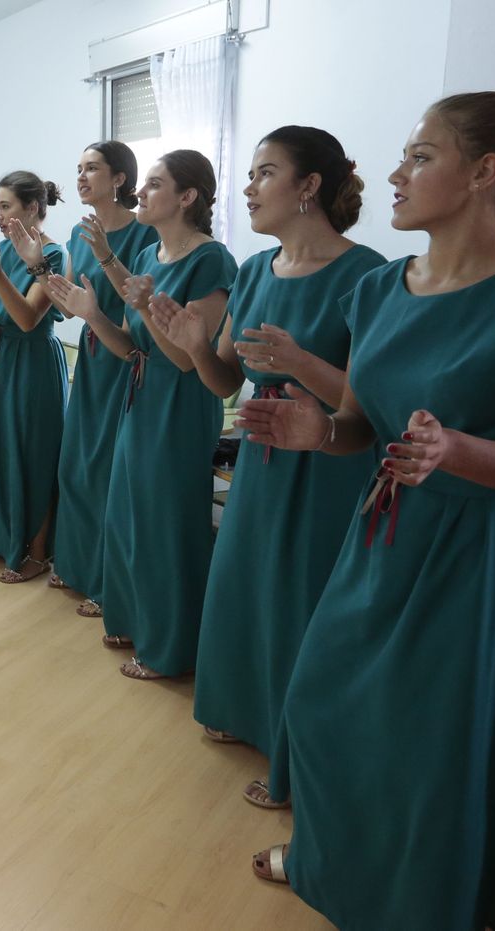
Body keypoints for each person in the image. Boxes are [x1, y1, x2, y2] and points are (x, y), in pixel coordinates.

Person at [237, 93, 495, 931]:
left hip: (477, 550)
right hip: (382, 534)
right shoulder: (377, 290)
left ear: (483, 173)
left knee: (432, 742)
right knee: (328, 704)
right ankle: (333, 862)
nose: (397, 174)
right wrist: (318, 429)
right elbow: (362, 427)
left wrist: (457, 451)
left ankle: (422, 904)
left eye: (420, 157)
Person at [184, 128, 385, 811]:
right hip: (262, 455)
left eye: (264, 172)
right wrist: (189, 345)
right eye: (249, 172)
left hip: (326, 457)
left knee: (303, 598)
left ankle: (300, 755)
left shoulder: (369, 275)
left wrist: (299, 361)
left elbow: (372, 402)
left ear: (308, 187)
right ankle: (244, 711)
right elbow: (223, 380)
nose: (248, 187)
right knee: (247, 582)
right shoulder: (253, 269)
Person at [49, 150, 237, 679]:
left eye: (155, 184)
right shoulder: (154, 258)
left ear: (187, 197)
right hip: (141, 394)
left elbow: (184, 357)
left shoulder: (211, 260)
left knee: (166, 524)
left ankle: (171, 649)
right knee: (130, 515)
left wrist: (144, 303)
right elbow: (131, 347)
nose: (143, 193)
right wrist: (91, 314)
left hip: (179, 403)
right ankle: (136, 621)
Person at [48, 141, 158, 616]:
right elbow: (72, 300)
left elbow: (139, 299)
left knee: (110, 471)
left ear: (119, 179)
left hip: (127, 360)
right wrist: (34, 262)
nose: (81, 176)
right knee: (78, 465)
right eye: (78, 168)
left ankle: (104, 579)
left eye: (92, 168)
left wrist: (108, 257)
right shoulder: (78, 233)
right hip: (91, 356)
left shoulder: (143, 233)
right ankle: (74, 565)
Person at [0, 171, 67, 583]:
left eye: (6, 206)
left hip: (32, 359)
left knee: (33, 453)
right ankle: (2, 534)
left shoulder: (55, 254)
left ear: (34, 208)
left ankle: (39, 551)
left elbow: (26, 318)